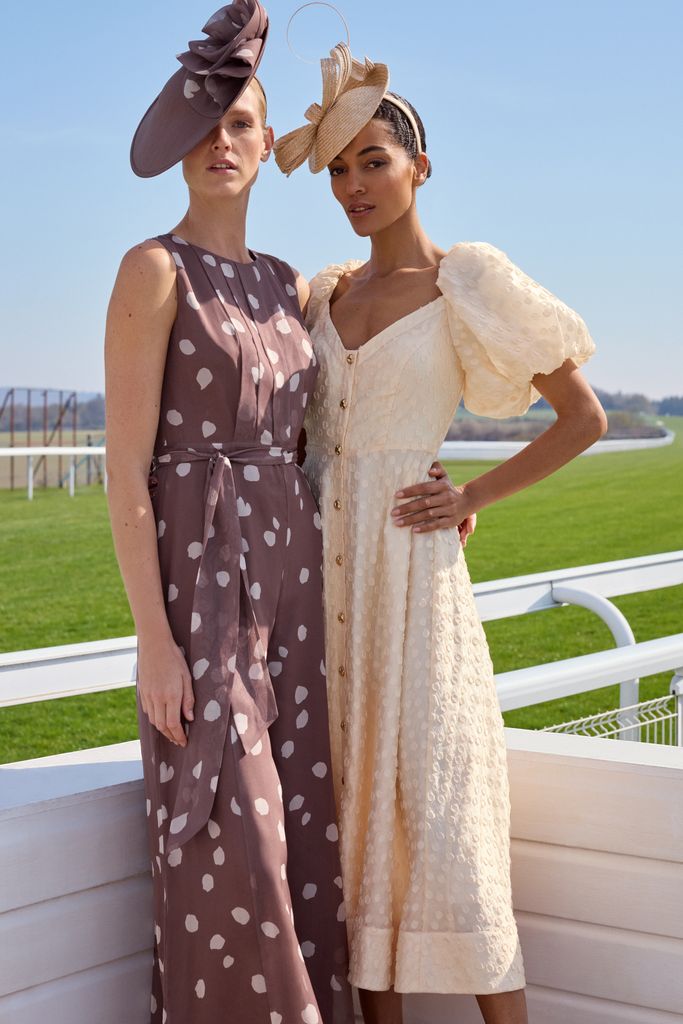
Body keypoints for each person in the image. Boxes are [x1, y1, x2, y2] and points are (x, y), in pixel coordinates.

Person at [274, 44, 607, 1024]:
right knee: (354, 831)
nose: (352, 185)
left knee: (447, 826)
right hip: (325, 591)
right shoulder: (320, 297)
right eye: (336, 168)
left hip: (415, 583)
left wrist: (472, 496)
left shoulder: (463, 280)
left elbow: (580, 417)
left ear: (420, 166)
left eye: (372, 160)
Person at [105, 5, 353, 1022]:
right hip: (198, 593)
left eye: (242, 124)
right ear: (179, 139)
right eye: (207, 124)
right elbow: (123, 467)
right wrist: (153, 643)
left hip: (292, 589)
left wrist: (422, 490)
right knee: (234, 840)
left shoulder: (286, 286)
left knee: (303, 836)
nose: (224, 142)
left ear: (265, 144)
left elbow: (330, 427)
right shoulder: (152, 271)